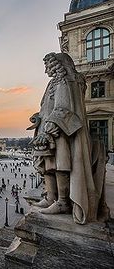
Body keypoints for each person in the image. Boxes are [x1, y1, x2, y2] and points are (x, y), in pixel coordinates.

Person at [29, 52, 109, 223]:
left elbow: (63, 108)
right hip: (48, 129)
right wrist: (38, 118)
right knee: (47, 165)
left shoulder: (65, 82)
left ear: (58, 65)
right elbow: (46, 108)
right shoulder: (55, 83)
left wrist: (49, 128)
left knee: (60, 166)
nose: (46, 71)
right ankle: (51, 197)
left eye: (48, 67)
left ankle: (63, 201)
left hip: (61, 131)